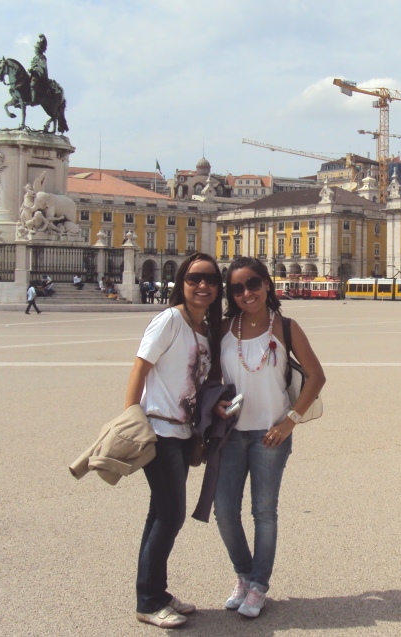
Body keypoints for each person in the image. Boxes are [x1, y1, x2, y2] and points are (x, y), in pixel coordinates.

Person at [214, 257, 326, 619]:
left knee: (263, 512)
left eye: (253, 283)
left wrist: (290, 421)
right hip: (230, 435)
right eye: (237, 288)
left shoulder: (286, 327)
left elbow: (316, 376)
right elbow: (210, 379)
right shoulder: (223, 328)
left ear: (266, 284)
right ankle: (244, 575)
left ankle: (259, 585)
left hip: (270, 434)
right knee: (224, 511)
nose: (247, 293)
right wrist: (215, 405)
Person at [126, 252, 224, 628]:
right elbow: (140, 368)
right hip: (159, 430)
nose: (202, 285)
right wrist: (131, 417)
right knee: (171, 515)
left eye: (210, 279)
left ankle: (155, 593)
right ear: (182, 282)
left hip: (183, 433)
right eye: (194, 278)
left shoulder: (204, 330)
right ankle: (149, 601)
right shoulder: (170, 319)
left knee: (160, 514)